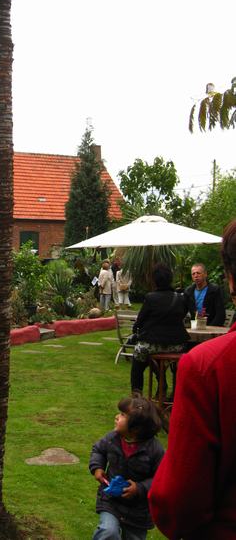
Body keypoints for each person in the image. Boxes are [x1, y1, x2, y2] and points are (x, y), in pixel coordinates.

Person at [149, 219, 236, 539]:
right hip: (180, 344)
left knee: (143, 361)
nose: (196, 277)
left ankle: (145, 389)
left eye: (199, 273)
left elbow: (179, 501)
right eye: (194, 273)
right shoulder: (184, 295)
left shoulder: (208, 369)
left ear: (229, 279)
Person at [89, 395, 164, 539]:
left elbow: (161, 478)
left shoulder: (154, 450)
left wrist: (139, 488)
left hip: (139, 511)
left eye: (123, 415)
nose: (117, 417)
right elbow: (98, 450)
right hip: (111, 500)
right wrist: (97, 467)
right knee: (108, 531)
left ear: (136, 429)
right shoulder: (112, 438)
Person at [130, 263, 189, 394]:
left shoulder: (151, 298)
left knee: (138, 361)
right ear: (170, 279)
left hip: (152, 344)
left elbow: (139, 322)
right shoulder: (180, 298)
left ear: (155, 280)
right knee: (173, 364)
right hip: (177, 345)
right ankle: (174, 393)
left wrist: (136, 329)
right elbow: (183, 316)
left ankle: (137, 395)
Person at [184, 262, 226, 326]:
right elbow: (183, 311)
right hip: (195, 326)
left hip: (212, 325)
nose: (196, 276)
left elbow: (220, 314)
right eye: (193, 274)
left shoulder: (215, 290)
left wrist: (210, 328)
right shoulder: (188, 292)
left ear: (205, 274)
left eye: (198, 273)